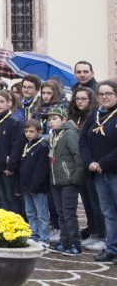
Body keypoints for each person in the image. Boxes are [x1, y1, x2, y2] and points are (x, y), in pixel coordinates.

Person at [80, 79, 117, 264]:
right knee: (108, 212)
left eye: (108, 93)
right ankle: (112, 249)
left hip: (113, 171)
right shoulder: (94, 114)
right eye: (101, 93)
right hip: (97, 173)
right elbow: (83, 141)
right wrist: (90, 162)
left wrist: (103, 162)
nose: (104, 96)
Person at [46, 106, 83, 255]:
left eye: (55, 119)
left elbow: (77, 156)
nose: (51, 122)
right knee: (61, 213)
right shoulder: (54, 135)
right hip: (55, 180)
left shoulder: (69, 134)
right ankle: (64, 241)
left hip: (68, 180)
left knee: (69, 213)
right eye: (49, 120)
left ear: (64, 119)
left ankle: (75, 243)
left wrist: (76, 177)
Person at [19, 120, 51, 247]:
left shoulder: (42, 147)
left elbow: (41, 170)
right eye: (26, 131)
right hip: (26, 186)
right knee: (30, 212)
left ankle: (44, 238)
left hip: (38, 188)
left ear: (39, 132)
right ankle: (34, 234)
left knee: (42, 213)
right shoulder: (27, 145)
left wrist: (34, 186)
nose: (28, 134)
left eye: (31, 131)